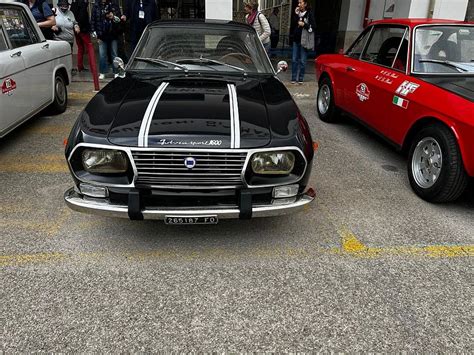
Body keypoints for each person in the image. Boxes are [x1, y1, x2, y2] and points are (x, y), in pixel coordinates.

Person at [91, 0, 124, 79]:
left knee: (114, 54)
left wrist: (113, 16)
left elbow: (119, 20)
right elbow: (93, 21)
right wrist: (95, 34)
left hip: (113, 34)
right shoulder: (95, 6)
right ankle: (102, 72)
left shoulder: (113, 4)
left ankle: (116, 71)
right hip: (101, 35)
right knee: (102, 54)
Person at [291, 0, 315, 84]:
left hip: (304, 41)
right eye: (298, 3)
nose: (299, 4)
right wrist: (296, 14)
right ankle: (293, 78)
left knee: (302, 61)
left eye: (300, 3)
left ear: (305, 4)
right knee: (294, 60)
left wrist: (304, 24)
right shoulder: (297, 13)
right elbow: (293, 24)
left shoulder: (309, 14)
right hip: (296, 40)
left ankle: (300, 78)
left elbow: (313, 27)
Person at [71, 0, 94, 72]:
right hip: (82, 29)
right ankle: (93, 67)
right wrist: (79, 26)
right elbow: (82, 15)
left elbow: (72, 14)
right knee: (90, 47)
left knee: (80, 48)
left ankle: (80, 66)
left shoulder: (73, 2)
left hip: (76, 29)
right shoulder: (82, 2)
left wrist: (75, 26)